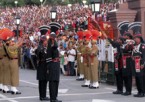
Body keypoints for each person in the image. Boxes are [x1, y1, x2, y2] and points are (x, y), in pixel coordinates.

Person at [46, 32, 62, 102]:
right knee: (53, 82)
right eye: (54, 37)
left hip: (56, 64)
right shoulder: (51, 45)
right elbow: (55, 46)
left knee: (56, 81)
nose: (55, 39)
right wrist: (52, 39)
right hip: (53, 64)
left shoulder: (52, 45)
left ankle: (54, 97)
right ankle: (53, 98)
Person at [36, 35, 49, 101]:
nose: (46, 42)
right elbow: (43, 56)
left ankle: (42, 96)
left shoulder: (40, 47)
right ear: (43, 41)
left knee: (42, 82)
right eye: (46, 40)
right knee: (43, 82)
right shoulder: (41, 48)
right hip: (42, 65)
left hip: (41, 65)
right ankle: (43, 96)